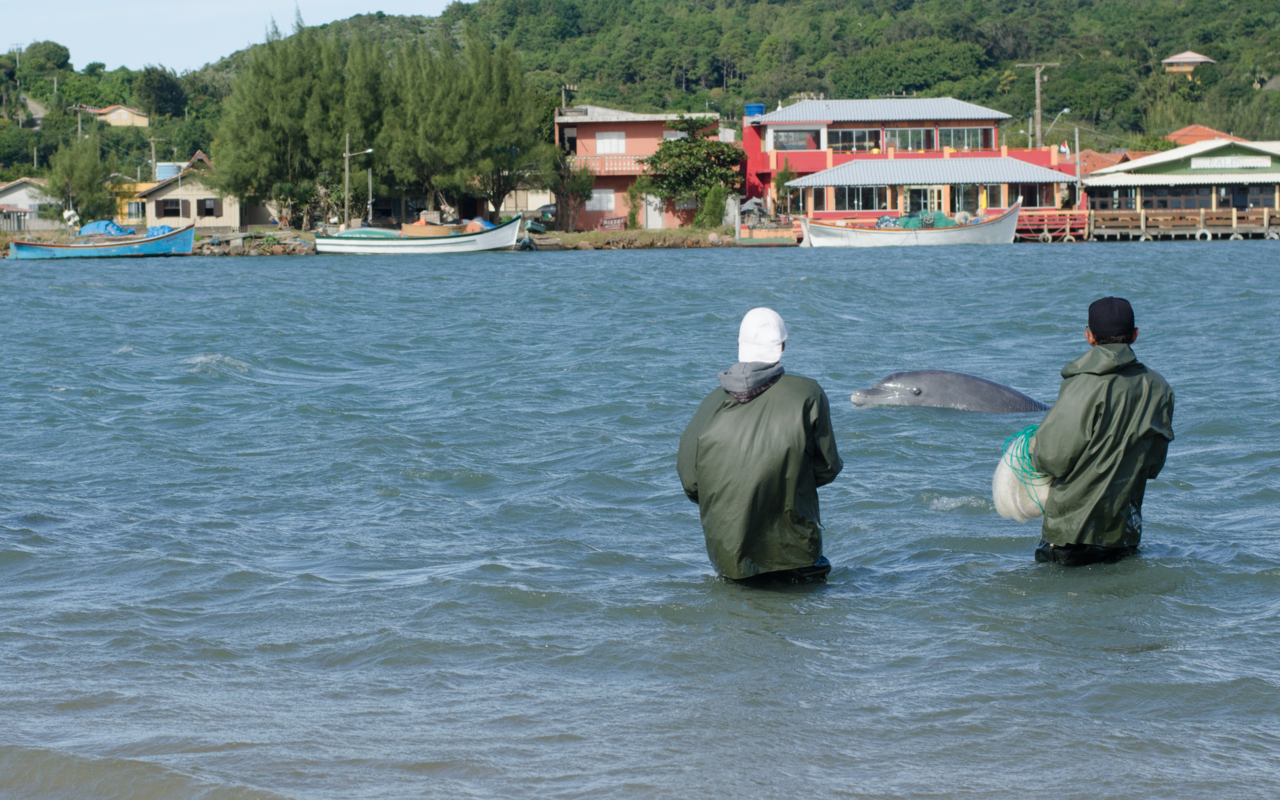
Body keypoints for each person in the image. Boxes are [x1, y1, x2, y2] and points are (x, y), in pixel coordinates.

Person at [677, 308, 843, 583]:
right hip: (796, 557)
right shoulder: (808, 394)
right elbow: (828, 468)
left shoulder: (710, 404)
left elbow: (691, 483)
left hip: (728, 560)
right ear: (782, 347)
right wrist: (784, 481)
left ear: (740, 346)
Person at [1032, 297, 1175, 566]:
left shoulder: (1083, 384)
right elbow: (1153, 465)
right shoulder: (1160, 387)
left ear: (1089, 336)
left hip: (1069, 532)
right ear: (1135, 334)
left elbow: (1051, 458)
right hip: (1124, 532)